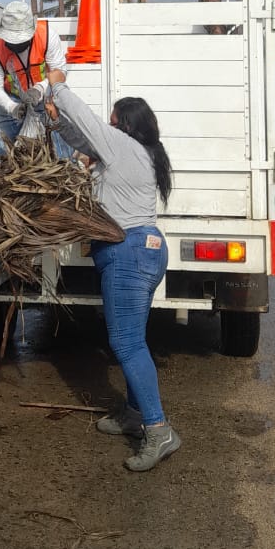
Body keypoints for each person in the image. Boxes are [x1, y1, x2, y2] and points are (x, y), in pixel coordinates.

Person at [44, 70, 180, 472]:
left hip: (129, 254)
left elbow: (85, 121)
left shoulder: (122, 147)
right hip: (144, 250)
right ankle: (134, 414)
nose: (108, 124)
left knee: (125, 344)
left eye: (113, 119)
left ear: (124, 125)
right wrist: (55, 120)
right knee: (133, 341)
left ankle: (158, 430)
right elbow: (81, 138)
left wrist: (57, 84)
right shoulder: (136, 152)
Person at [0, 0, 68, 156]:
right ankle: (0, 173)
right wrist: (12, 107)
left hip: (46, 95)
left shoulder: (47, 36)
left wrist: (39, 89)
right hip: (12, 98)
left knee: (59, 123)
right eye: (11, 40)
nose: (17, 44)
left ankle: (65, 165)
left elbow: (60, 71)